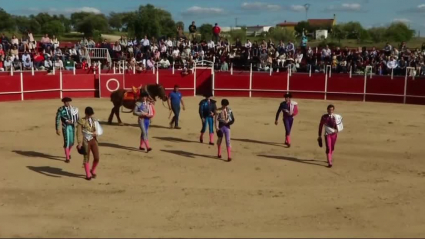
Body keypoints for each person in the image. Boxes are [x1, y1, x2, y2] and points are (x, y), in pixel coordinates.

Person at [76, 107, 100, 180]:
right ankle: (88, 174)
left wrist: (97, 133)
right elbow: (79, 133)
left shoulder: (94, 120)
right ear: (86, 114)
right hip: (85, 141)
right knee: (86, 158)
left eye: (91, 114)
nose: (90, 116)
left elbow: (98, 129)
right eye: (89, 114)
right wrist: (80, 143)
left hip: (93, 140)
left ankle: (92, 170)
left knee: (97, 158)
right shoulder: (81, 121)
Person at [55, 97, 79, 163]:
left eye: (68, 102)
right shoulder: (60, 109)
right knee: (67, 141)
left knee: (72, 142)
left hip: (72, 126)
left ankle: (67, 152)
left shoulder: (73, 109)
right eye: (66, 102)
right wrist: (57, 128)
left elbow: (77, 117)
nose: (67, 103)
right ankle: (67, 157)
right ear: (64, 102)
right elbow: (57, 119)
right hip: (65, 127)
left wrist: (76, 123)